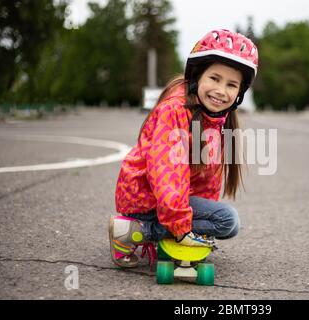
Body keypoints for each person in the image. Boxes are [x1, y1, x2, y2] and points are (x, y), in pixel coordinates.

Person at [109, 29, 259, 268]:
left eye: (232, 85)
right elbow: (168, 174)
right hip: (145, 199)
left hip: (165, 201)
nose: (221, 90)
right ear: (197, 76)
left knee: (225, 222)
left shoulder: (217, 118)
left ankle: (161, 230)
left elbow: (207, 180)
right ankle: (135, 230)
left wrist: (198, 233)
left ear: (239, 93)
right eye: (215, 78)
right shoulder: (174, 110)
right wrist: (181, 227)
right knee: (228, 220)